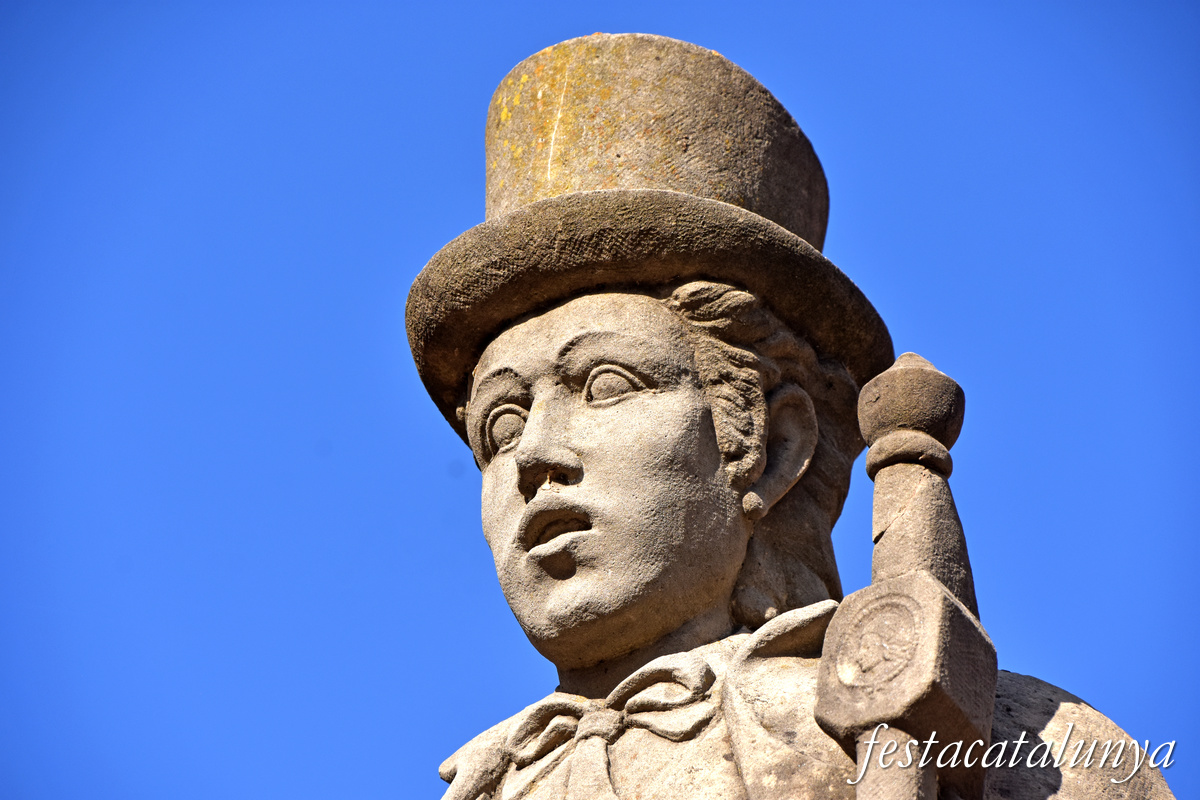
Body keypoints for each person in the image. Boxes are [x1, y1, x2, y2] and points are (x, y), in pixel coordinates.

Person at [406, 33, 1174, 800]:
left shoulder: (1030, 752)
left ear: (775, 446)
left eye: (607, 385)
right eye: (499, 428)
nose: (534, 453)